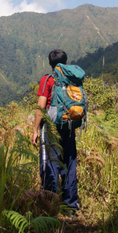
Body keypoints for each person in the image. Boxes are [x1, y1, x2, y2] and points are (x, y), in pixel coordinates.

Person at [31, 49, 80, 210]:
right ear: (65, 62)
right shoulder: (71, 79)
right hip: (69, 126)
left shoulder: (48, 79)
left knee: (50, 163)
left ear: (50, 63)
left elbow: (41, 106)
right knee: (69, 163)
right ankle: (71, 204)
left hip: (51, 129)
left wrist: (35, 129)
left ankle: (49, 203)